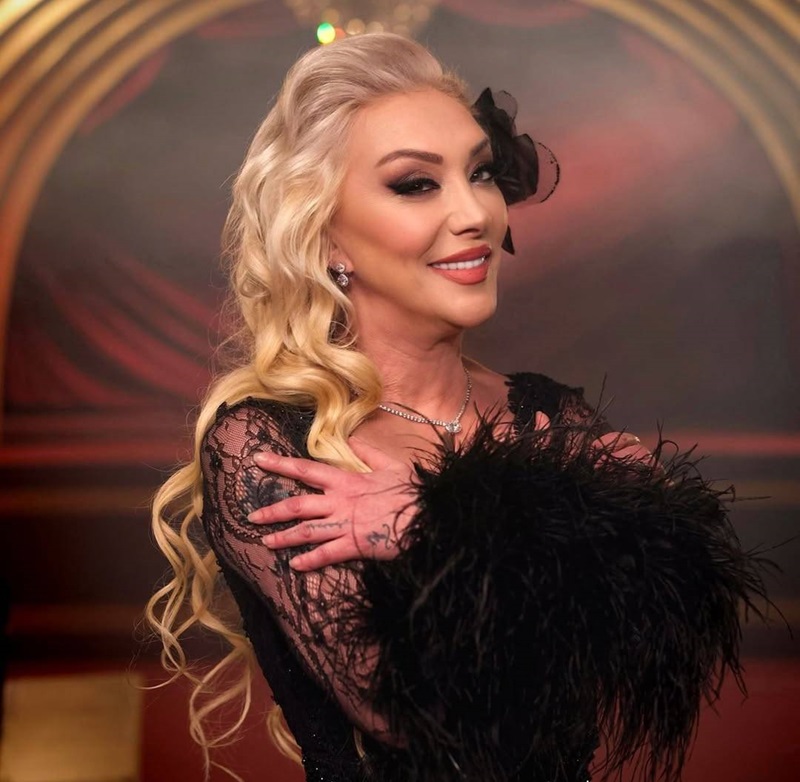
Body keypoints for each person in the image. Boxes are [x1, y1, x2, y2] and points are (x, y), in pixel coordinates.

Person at [146, 33, 767, 782]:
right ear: (326, 234)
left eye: (480, 173)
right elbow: (415, 713)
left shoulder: (546, 412)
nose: (474, 211)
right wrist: (569, 521)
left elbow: (672, 633)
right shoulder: (268, 444)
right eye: (416, 184)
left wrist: (427, 518)